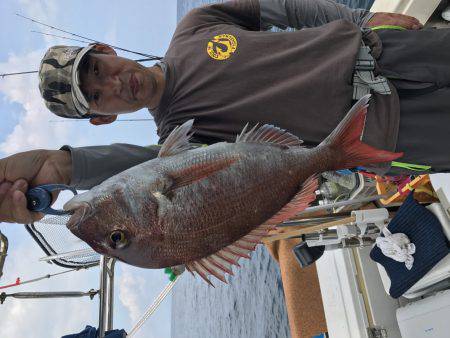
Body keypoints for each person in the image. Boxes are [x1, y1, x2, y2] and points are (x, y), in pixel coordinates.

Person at [1, 0, 448, 225]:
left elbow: (285, 8)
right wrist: (61, 165)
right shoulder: (181, 144)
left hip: (388, 51)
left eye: (98, 69)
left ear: (104, 49)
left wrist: (360, 20)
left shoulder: (194, 26)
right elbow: (146, 177)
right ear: (102, 120)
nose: (115, 83)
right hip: (386, 132)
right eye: (97, 97)